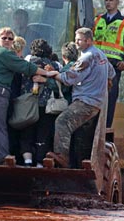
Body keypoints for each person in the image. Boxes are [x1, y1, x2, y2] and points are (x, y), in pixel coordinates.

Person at [0, 28, 52, 164]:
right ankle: (4, 158)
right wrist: (48, 74)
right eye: (4, 37)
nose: (7, 40)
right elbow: (26, 67)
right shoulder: (4, 53)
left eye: (10, 38)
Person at [45, 27, 115, 168]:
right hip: (96, 102)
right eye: (76, 39)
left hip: (86, 101)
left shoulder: (86, 58)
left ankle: (62, 156)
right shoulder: (101, 55)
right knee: (80, 136)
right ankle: (79, 163)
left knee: (62, 121)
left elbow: (69, 78)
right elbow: (111, 74)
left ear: (88, 41)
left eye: (79, 40)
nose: (76, 42)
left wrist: (52, 74)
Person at [93, 0, 124, 128]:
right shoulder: (97, 20)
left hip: (113, 66)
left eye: (111, 0)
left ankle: (105, 128)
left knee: (110, 97)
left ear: (117, 2)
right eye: (106, 0)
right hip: (95, 65)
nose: (108, 3)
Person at [19, 39, 59, 167]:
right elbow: (60, 85)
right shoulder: (55, 66)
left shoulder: (26, 62)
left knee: (26, 133)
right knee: (43, 135)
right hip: (46, 106)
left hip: (27, 105)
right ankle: (40, 163)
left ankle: (27, 161)